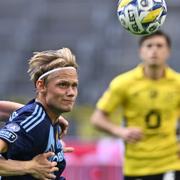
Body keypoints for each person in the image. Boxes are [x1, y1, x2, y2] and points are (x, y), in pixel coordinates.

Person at [91, 31, 180, 180]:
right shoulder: (124, 83)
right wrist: (120, 131)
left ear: (168, 51)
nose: (154, 50)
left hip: (170, 162)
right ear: (140, 51)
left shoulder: (177, 83)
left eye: (159, 46)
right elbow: (97, 118)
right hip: (136, 165)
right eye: (149, 46)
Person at [0, 47, 78, 180]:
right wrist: (29, 166)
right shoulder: (34, 121)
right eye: (63, 85)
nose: (71, 92)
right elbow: (29, 121)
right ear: (41, 86)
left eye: (74, 85)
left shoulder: (47, 118)